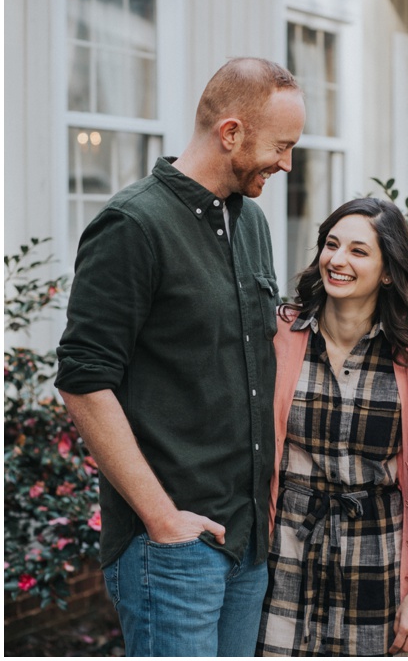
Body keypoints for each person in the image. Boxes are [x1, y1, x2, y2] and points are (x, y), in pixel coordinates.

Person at [55, 57, 306, 657]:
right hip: (171, 546)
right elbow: (84, 381)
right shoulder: (133, 225)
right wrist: (162, 518)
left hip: (246, 543)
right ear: (231, 133)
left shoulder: (253, 225)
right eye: (282, 146)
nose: (287, 164)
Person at [257, 197, 408, 656]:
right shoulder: (282, 333)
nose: (338, 260)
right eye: (331, 245)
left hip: (380, 555)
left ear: (389, 271)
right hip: (288, 549)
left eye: (358, 251)